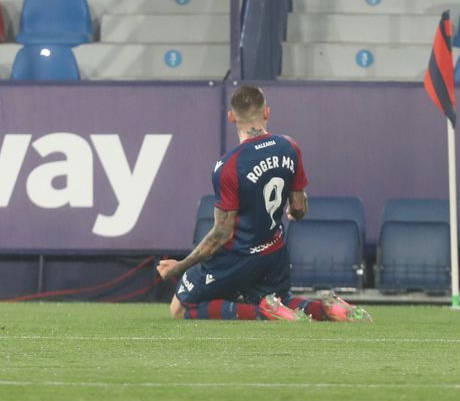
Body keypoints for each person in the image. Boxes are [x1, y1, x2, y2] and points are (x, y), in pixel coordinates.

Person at [156, 85, 372, 323]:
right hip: (274, 252)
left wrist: (180, 267)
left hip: (238, 255)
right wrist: (294, 211)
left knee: (181, 309)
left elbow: (221, 234)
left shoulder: (228, 166)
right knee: (281, 302)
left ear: (231, 117)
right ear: (267, 113)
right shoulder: (289, 147)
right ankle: (328, 308)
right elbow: (298, 208)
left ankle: (261, 314)